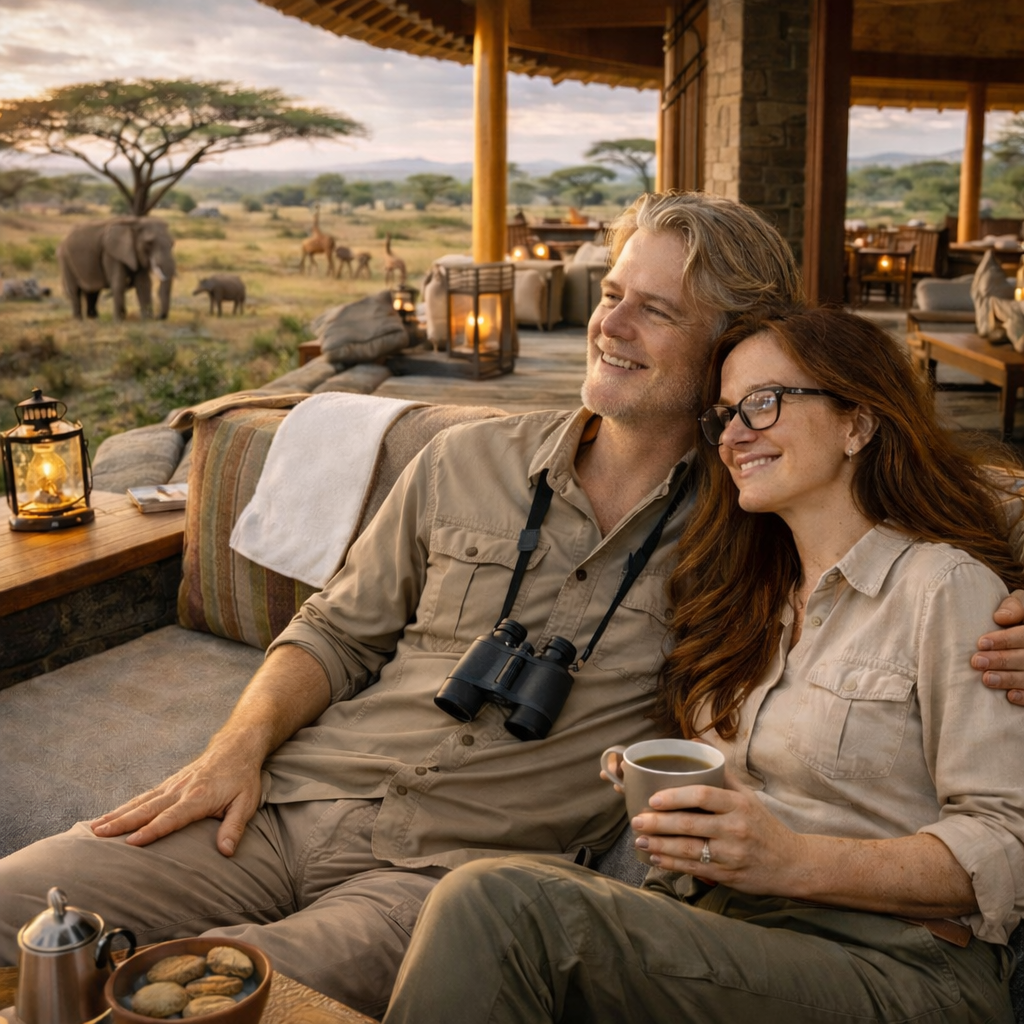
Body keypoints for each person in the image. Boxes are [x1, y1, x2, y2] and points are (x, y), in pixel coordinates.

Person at [1, 193, 1022, 1017]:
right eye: (612, 292)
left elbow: (912, 518)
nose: (607, 324)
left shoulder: (758, 512)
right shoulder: (463, 458)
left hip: (446, 871)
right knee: (19, 902)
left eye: (655, 311)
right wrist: (236, 748)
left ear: (732, 349)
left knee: (198, 998)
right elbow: (333, 628)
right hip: (282, 801)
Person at [380, 307, 1024, 1023]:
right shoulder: (750, 600)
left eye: (765, 403)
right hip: (730, 933)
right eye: (723, 416)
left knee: (496, 902)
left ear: (857, 423)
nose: (735, 434)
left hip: (904, 966)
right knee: (483, 888)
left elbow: (1007, 843)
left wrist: (789, 860)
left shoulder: (944, 589)